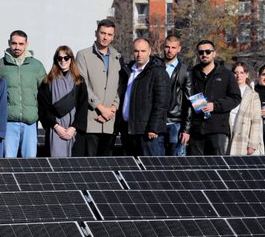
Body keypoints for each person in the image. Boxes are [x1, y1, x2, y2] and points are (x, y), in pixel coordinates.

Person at [180, 41, 240, 156]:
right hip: (196, 130)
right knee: (196, 169)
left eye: (208, 51)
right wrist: (186, 129)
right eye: (201, 52)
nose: (205, 54)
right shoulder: (191, 74)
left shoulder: (226, 75)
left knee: (217, 167)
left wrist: (215, 106)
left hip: (217, 130)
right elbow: (186, 101)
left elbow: (235, 98)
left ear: (214, 53)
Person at [74, 19, 122, 157]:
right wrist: (101, 108)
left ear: (113, 36)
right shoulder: (83, 55)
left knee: (106, 167)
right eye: (102, 33)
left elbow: (119, 86)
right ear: (96, 33)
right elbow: (82, 85)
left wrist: (112, 109)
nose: (105, 37)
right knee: (91, 165)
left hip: (109, 121)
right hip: (92, 120)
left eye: (109, 34)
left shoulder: (117, 57)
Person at [117, 37, 169, 157]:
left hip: (147, 132)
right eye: (136, 51)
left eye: (143, 51)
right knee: (131, 170)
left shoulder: (158, 72)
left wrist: (154, 128)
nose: (139, 54)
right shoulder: (128, 70)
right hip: (128, 130)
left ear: (149, 51)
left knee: (150, 171)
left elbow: (161, 103)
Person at [1, 31, 46, 158]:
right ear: (9, 43)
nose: (17, 47)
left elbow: (45, 92)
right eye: (14, 43)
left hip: (30, 122)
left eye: (21, 44)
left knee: (30, 161)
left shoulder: (36, 65)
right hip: (8, 121)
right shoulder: (0, 65)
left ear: (26, 44)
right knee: (8, 161)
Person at [38, 46, 87, 158]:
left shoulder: (79, 81)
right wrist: (56, 126)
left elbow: (83, 106)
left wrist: (73, 128)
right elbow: (43, 108)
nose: (63, 61)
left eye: (66, 58)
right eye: (59, 58)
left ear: (71, 59)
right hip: (55, 129)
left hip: (74, 131)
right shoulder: (47, 81)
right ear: (56, 60)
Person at [161, 35, 189, 156]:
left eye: (173, 47)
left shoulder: (185, 71)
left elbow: (190, 101)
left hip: (175, 123)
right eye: (167, 47)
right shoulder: (156, 68)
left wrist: (186, 129)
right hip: (158, 122)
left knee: (174, 164)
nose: (170, 50)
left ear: (179, 49)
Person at [229, 62, 264, 156]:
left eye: (242, 73)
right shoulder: (227, 92)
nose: (238, 76)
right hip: (228, 133)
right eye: (236, 72)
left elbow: (256, 121)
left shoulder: (253, 95)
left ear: (247, 74)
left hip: (244, 136)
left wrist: (253, 144)